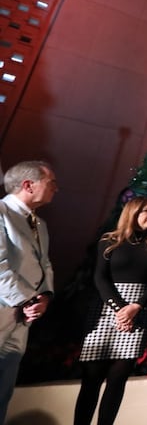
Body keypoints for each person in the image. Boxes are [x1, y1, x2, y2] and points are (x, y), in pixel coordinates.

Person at [74, 197, 147, 425]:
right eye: (146, 211)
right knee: (92, 379)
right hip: (107, 309)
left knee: (117, 379)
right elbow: (100, 276)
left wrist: (136, 307)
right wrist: (120, 309)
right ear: (132, 212)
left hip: (139, 310)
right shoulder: (109, 241)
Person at [0, 160, 58, 424]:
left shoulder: (41, 224)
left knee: (3, 390)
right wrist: (26, 299)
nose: (57, 188)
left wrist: (45, 297)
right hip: (5, 307)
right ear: (28, 184)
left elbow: (45, 264)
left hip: (24, 318)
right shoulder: (1, 211)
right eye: (51, 182)